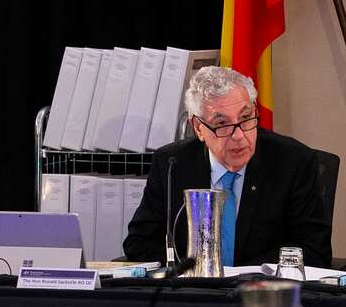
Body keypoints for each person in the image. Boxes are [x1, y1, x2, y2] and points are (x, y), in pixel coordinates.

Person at [123, 66, 332, 268]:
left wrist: (239, 278)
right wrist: (190, 275)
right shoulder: (172, 164)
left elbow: (314, 251)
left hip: (261, 294)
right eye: (222, 124)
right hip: (192, 294)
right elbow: (140, 244)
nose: (239, 136)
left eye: (245, 118)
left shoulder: (292, 162)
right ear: (199, 128)